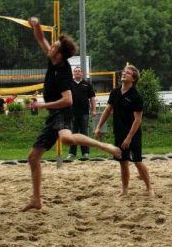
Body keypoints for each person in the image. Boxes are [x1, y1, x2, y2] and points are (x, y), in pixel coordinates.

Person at [22, 17, 122, 211]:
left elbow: (68, 100)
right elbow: (41, 39)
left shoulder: (64, 72)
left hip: (62, 111)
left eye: (55, 47)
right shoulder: (53, 60)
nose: (50, 48)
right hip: (53, 115)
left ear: (59, 55)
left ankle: (105, 146)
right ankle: (36, 199)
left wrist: (42, 105)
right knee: (33, 158)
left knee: (66, 139)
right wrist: (35, 25)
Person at [94, 64, 154, 196]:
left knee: (137, 161)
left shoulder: (136, 96)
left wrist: (129, 138)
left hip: (133, 134)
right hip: (119, 132)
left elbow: (138, 120)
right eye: (124, 72)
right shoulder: (115, 92)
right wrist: (98, 126)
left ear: (133, 79)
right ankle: (125, 190)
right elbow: (108, 110)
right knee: (122, 162)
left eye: (127, 73)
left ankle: (149, 188)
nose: (123, 73)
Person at [68, 66, 97, 159]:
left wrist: (94, 109)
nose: (77, 72)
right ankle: (72, 153)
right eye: (75, 71)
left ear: (82, 73)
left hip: (84, 113)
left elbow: (92, 98)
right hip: (72, 113)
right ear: (73, 73)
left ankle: (85, 153)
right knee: (73, 133)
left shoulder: (87, 84)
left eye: (79, 71)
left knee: (84, 133)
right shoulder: (69, 84)